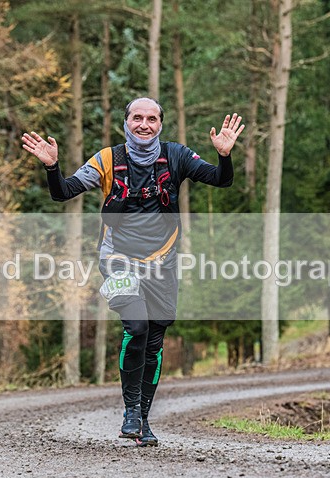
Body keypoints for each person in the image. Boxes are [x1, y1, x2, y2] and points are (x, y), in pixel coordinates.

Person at [22, 97, 244, 446]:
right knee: (136, 326)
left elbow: (221, 180)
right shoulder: (107, 159)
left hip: (164, 261)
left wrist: (225, 155)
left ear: (160, 124)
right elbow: (63, 193)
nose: (144, 124)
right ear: (126, 122)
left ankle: (142, 418)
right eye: (137, 118)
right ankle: (129, 411)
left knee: (154, 342)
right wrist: (52, 168)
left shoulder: (177, 156)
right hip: (118, 259)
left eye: (152, 119)